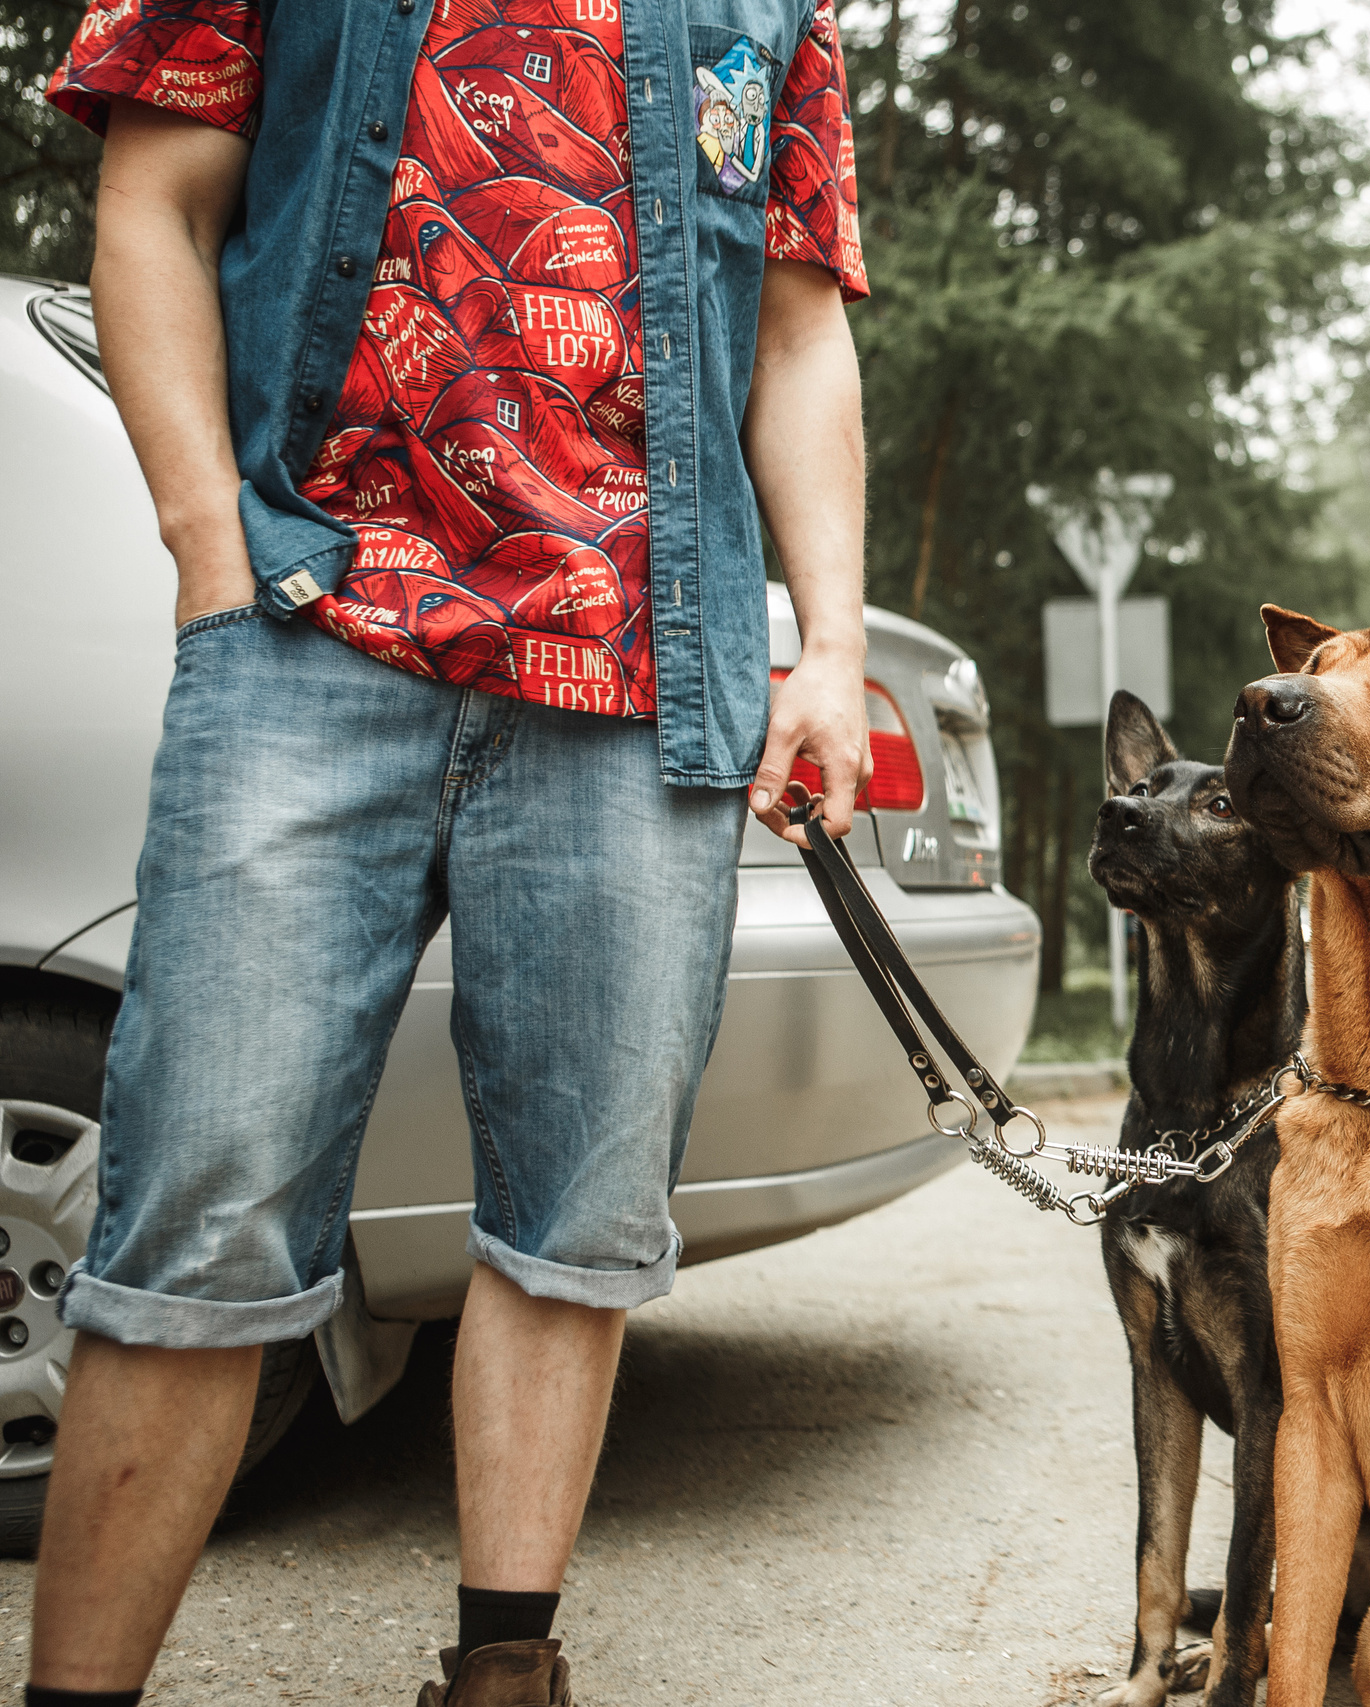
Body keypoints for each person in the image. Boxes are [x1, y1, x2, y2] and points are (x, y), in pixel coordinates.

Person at [31, 0, 874, 1700]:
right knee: (200, 1210)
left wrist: (834, 648)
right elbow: (154, 198)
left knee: (577, 1223)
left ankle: (504, 1672)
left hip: (644, 692)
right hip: (315, 642)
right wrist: (213, 551)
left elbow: (794, 328)